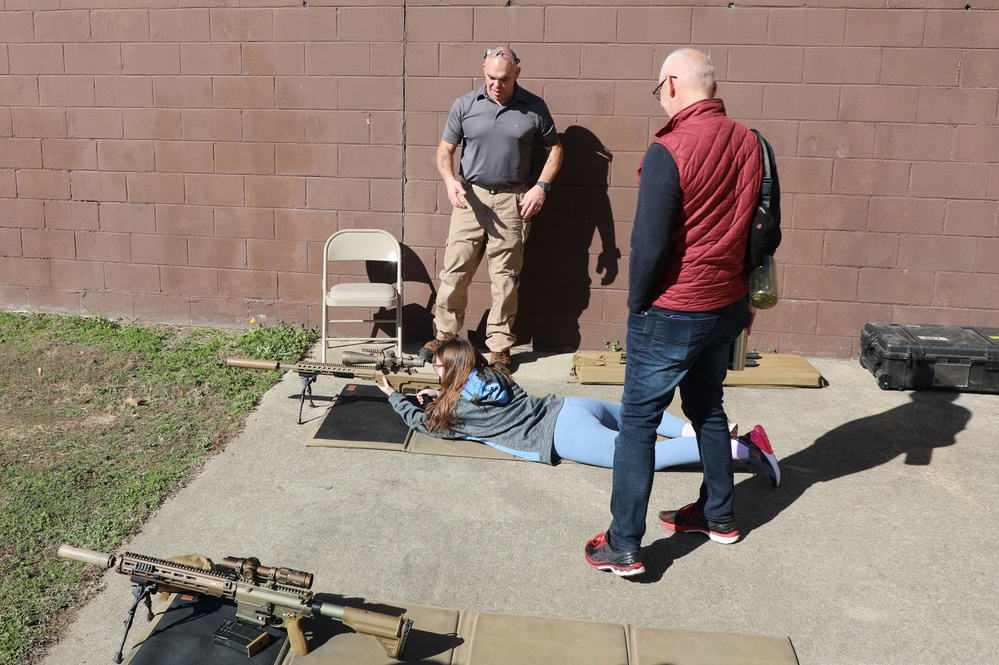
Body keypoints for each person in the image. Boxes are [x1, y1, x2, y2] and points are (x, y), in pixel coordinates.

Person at [584, 47, 781, 577]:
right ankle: (718, 516)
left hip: (672, 308)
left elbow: (647, 246)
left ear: (671, 84)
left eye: (658, 88)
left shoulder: (668, 150)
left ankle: (623, 543)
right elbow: (769, 231)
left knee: (639, 426)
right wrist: (744, 299)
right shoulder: (754, 144)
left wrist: (637, 303)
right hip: (726, 305)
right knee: (707, 408)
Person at [377, 338, 779, 484]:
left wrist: (393, 394)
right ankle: (691, 433)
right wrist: (442, 388)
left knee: (641, 458)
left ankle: (742, 448)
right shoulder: (491, 372)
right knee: (634, 416)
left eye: (439, 367)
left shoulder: (454, 413)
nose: (435, 369)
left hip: (559, 434)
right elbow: (468, 386)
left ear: (452, 371)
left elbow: (422, 422)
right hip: (571, 406)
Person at [420, 46, 564, 370]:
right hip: (470, 199)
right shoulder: (466, 104)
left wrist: (541, 187)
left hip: (512, 202)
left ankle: (499, 348)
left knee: (505, 278)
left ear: (517, 74)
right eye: (490, 77)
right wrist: (448, 179)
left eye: (504, 78)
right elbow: (445, 149)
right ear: (483, 69)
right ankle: (444, 338)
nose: (496, 84)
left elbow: (555, 150)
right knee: (454, 271)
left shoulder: (534, 108)